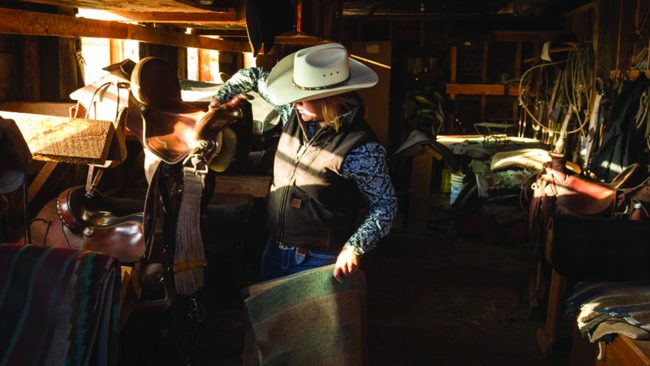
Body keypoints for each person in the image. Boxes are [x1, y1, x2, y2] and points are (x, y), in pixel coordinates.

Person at [212, 43, 397, 282]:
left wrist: (355, 247)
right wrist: (219, 100)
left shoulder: (362, 148)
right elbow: (254, 76)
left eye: (303, 97)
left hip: (317, 259)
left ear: (329, 99)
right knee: (270, 319)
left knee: (310, 321)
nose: (295, 102)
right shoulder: (293, 113)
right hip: (274, 250)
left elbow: (385, 206)